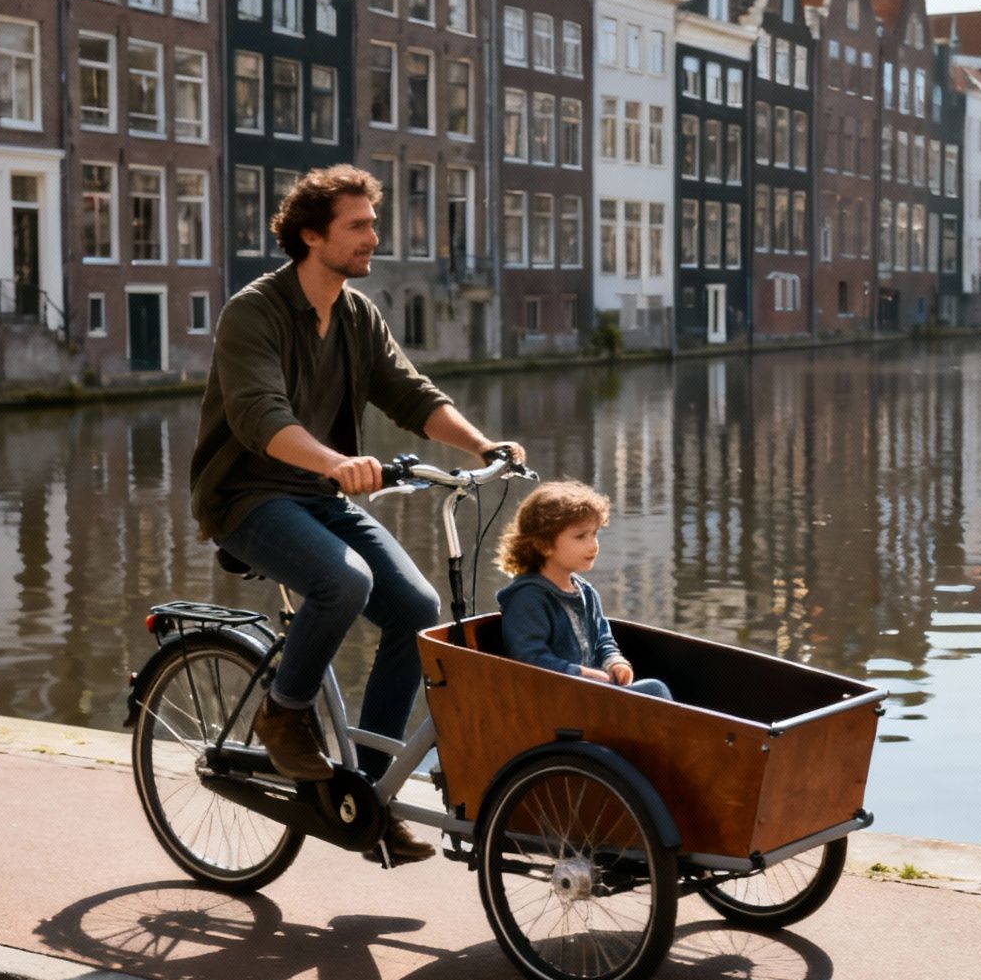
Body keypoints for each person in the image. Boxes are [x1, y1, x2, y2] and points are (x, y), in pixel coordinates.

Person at [189, 164, 523, 864]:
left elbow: (408, 392)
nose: (375, 236)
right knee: (345, 582)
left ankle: (364, 795)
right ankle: (283, 715)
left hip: (317, 494)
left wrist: (484, 443)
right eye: (359, 225)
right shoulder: (254, 312)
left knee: (417, 605)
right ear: (312, 236)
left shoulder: (355, 315)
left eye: (373, 223)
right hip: (247, 496)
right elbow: (257, 416)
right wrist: (336, 462)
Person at [493, 481, 671, 700]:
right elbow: (529, 659)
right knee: (655, 690)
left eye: (594, 534)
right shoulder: (528, 598)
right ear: (543, 545)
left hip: (586, 696)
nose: (594, 545)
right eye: (580, 537)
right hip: (553, 703)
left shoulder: (586, 592)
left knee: (660, 683)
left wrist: (614, 662)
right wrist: (581, 674)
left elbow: (603, 640)